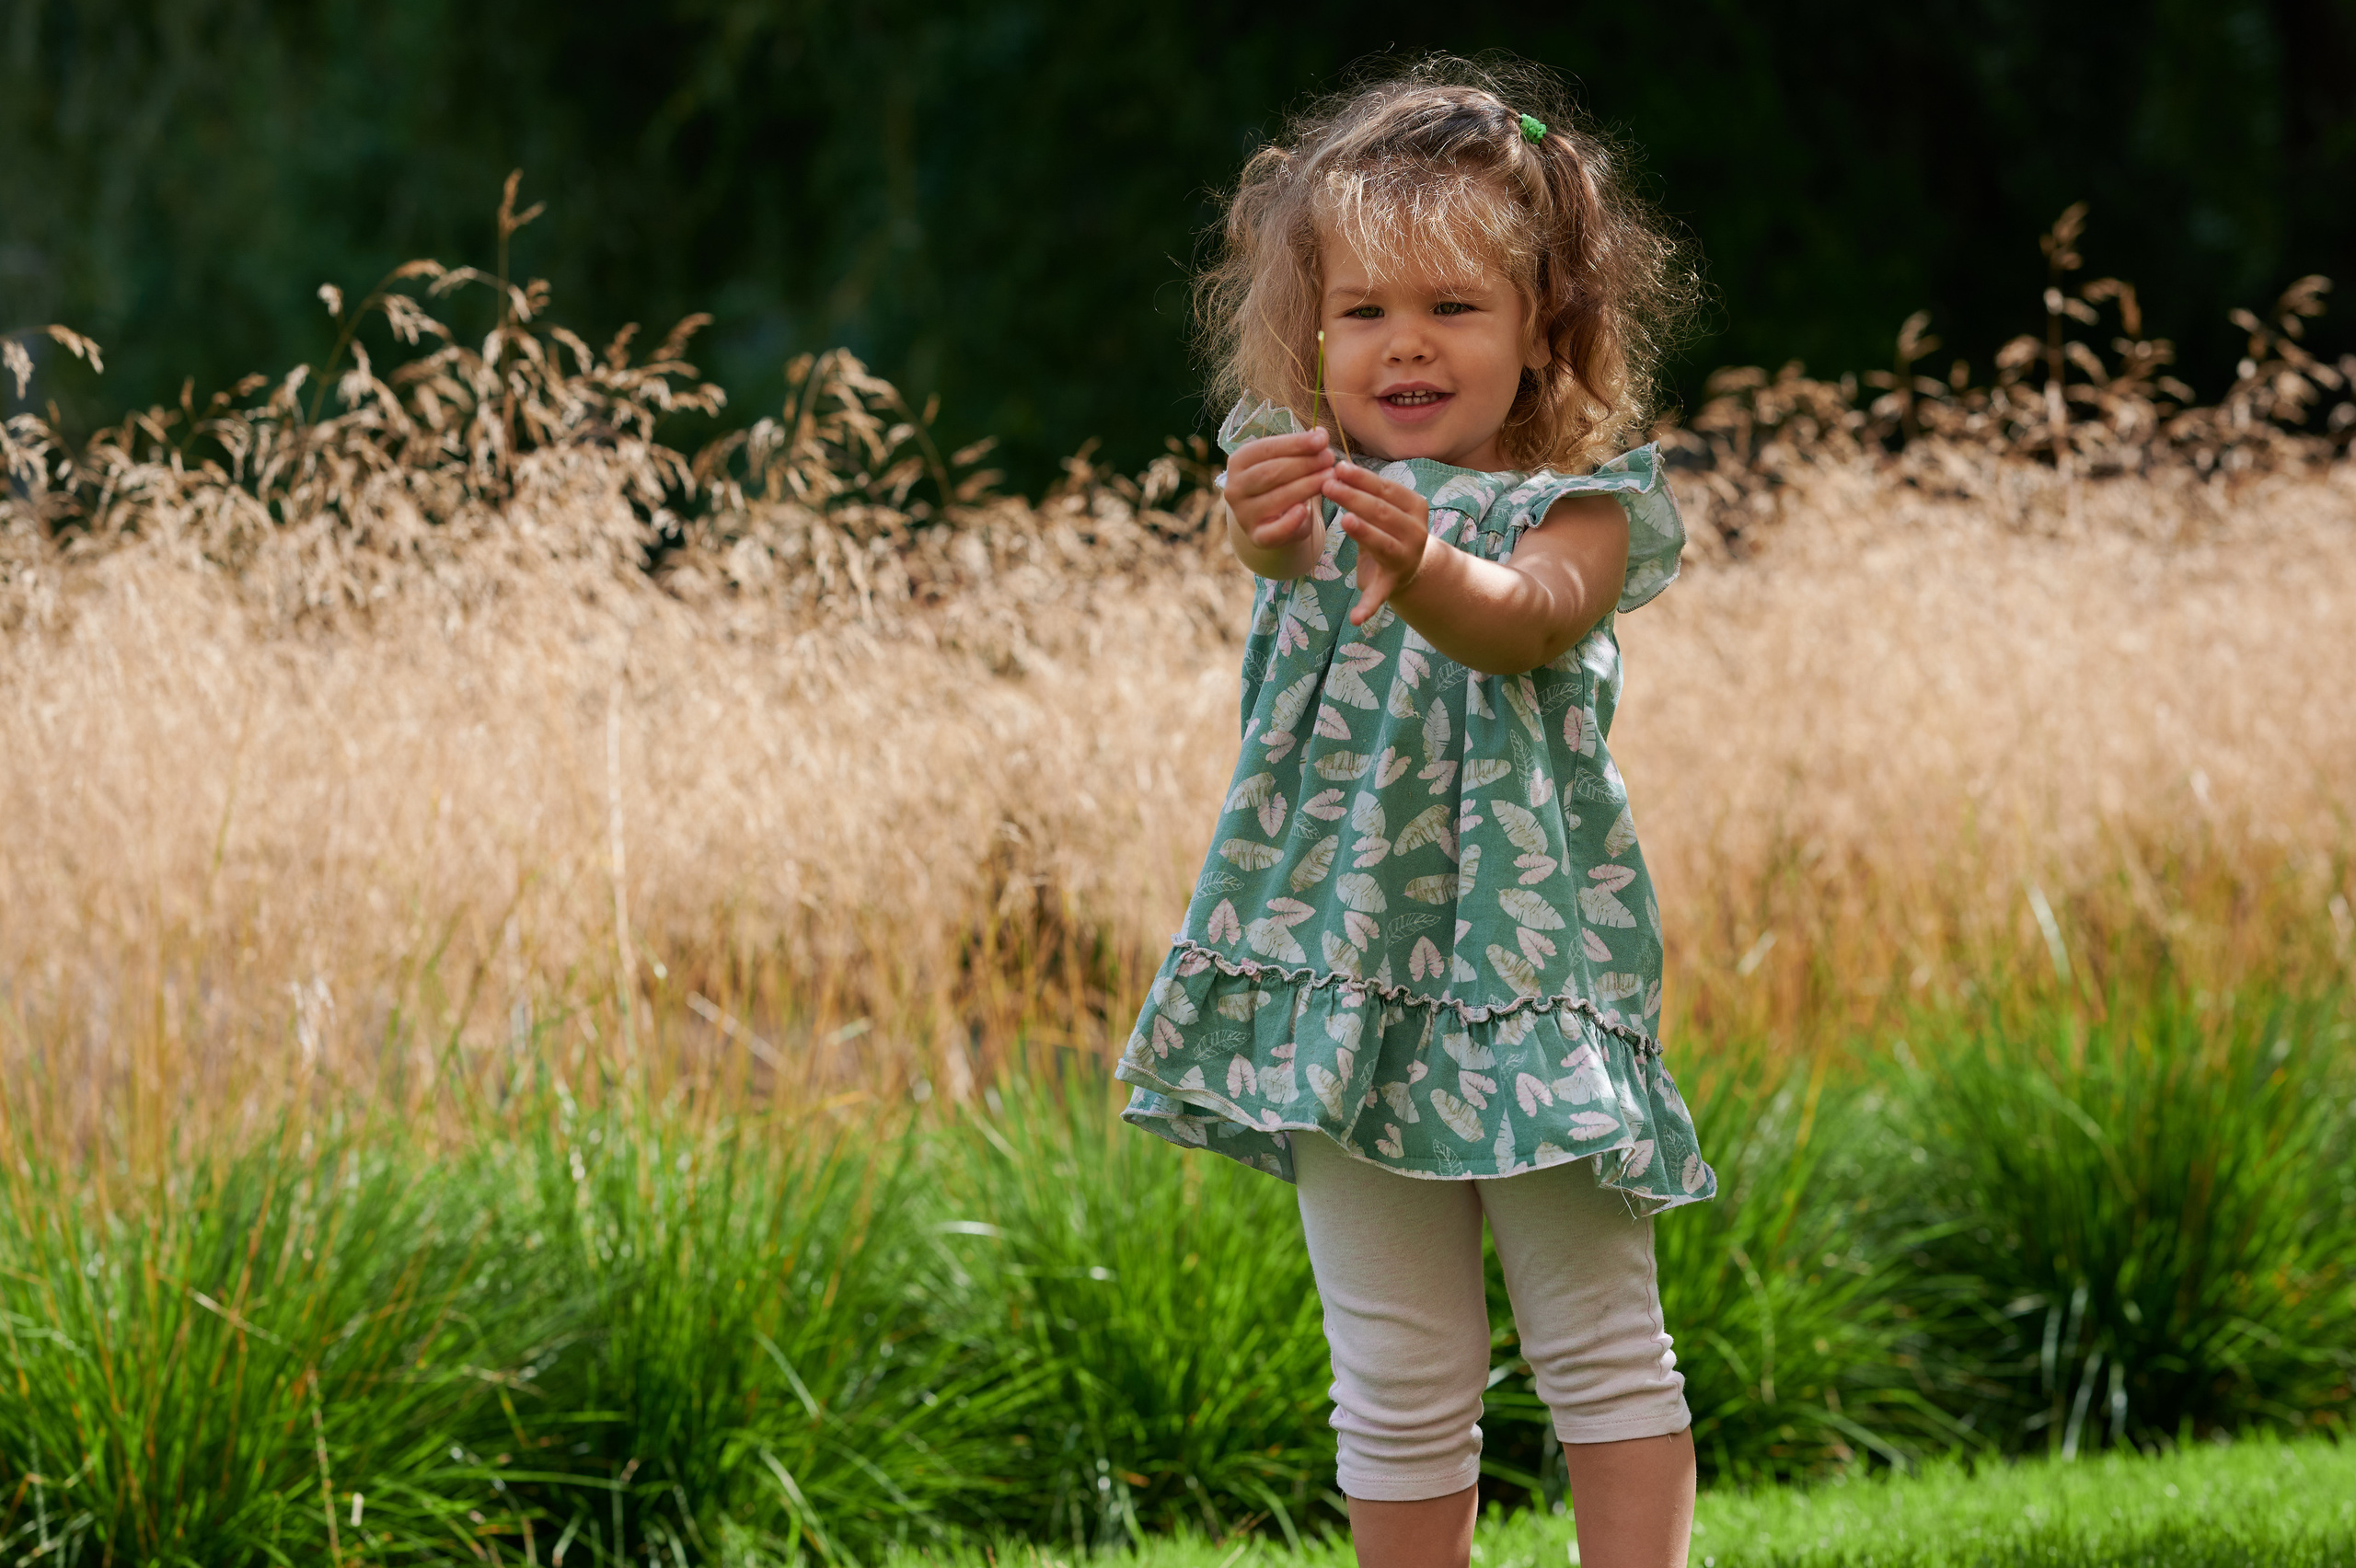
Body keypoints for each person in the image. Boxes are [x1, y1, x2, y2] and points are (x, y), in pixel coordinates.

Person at [1114, 56, 1715, 1568]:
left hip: (1527, 990)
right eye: (1365, 309)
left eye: (1455, 308)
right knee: (1393, 1370)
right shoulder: (1316, 492)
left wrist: (1432, 568)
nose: (1405, 346)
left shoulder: (1584, 509)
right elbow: (1281, 574)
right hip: (1341, 978)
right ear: (1312, 332)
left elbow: (1522, 623)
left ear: (1542, 331)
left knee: (1598, 1341)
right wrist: (1264, 529)